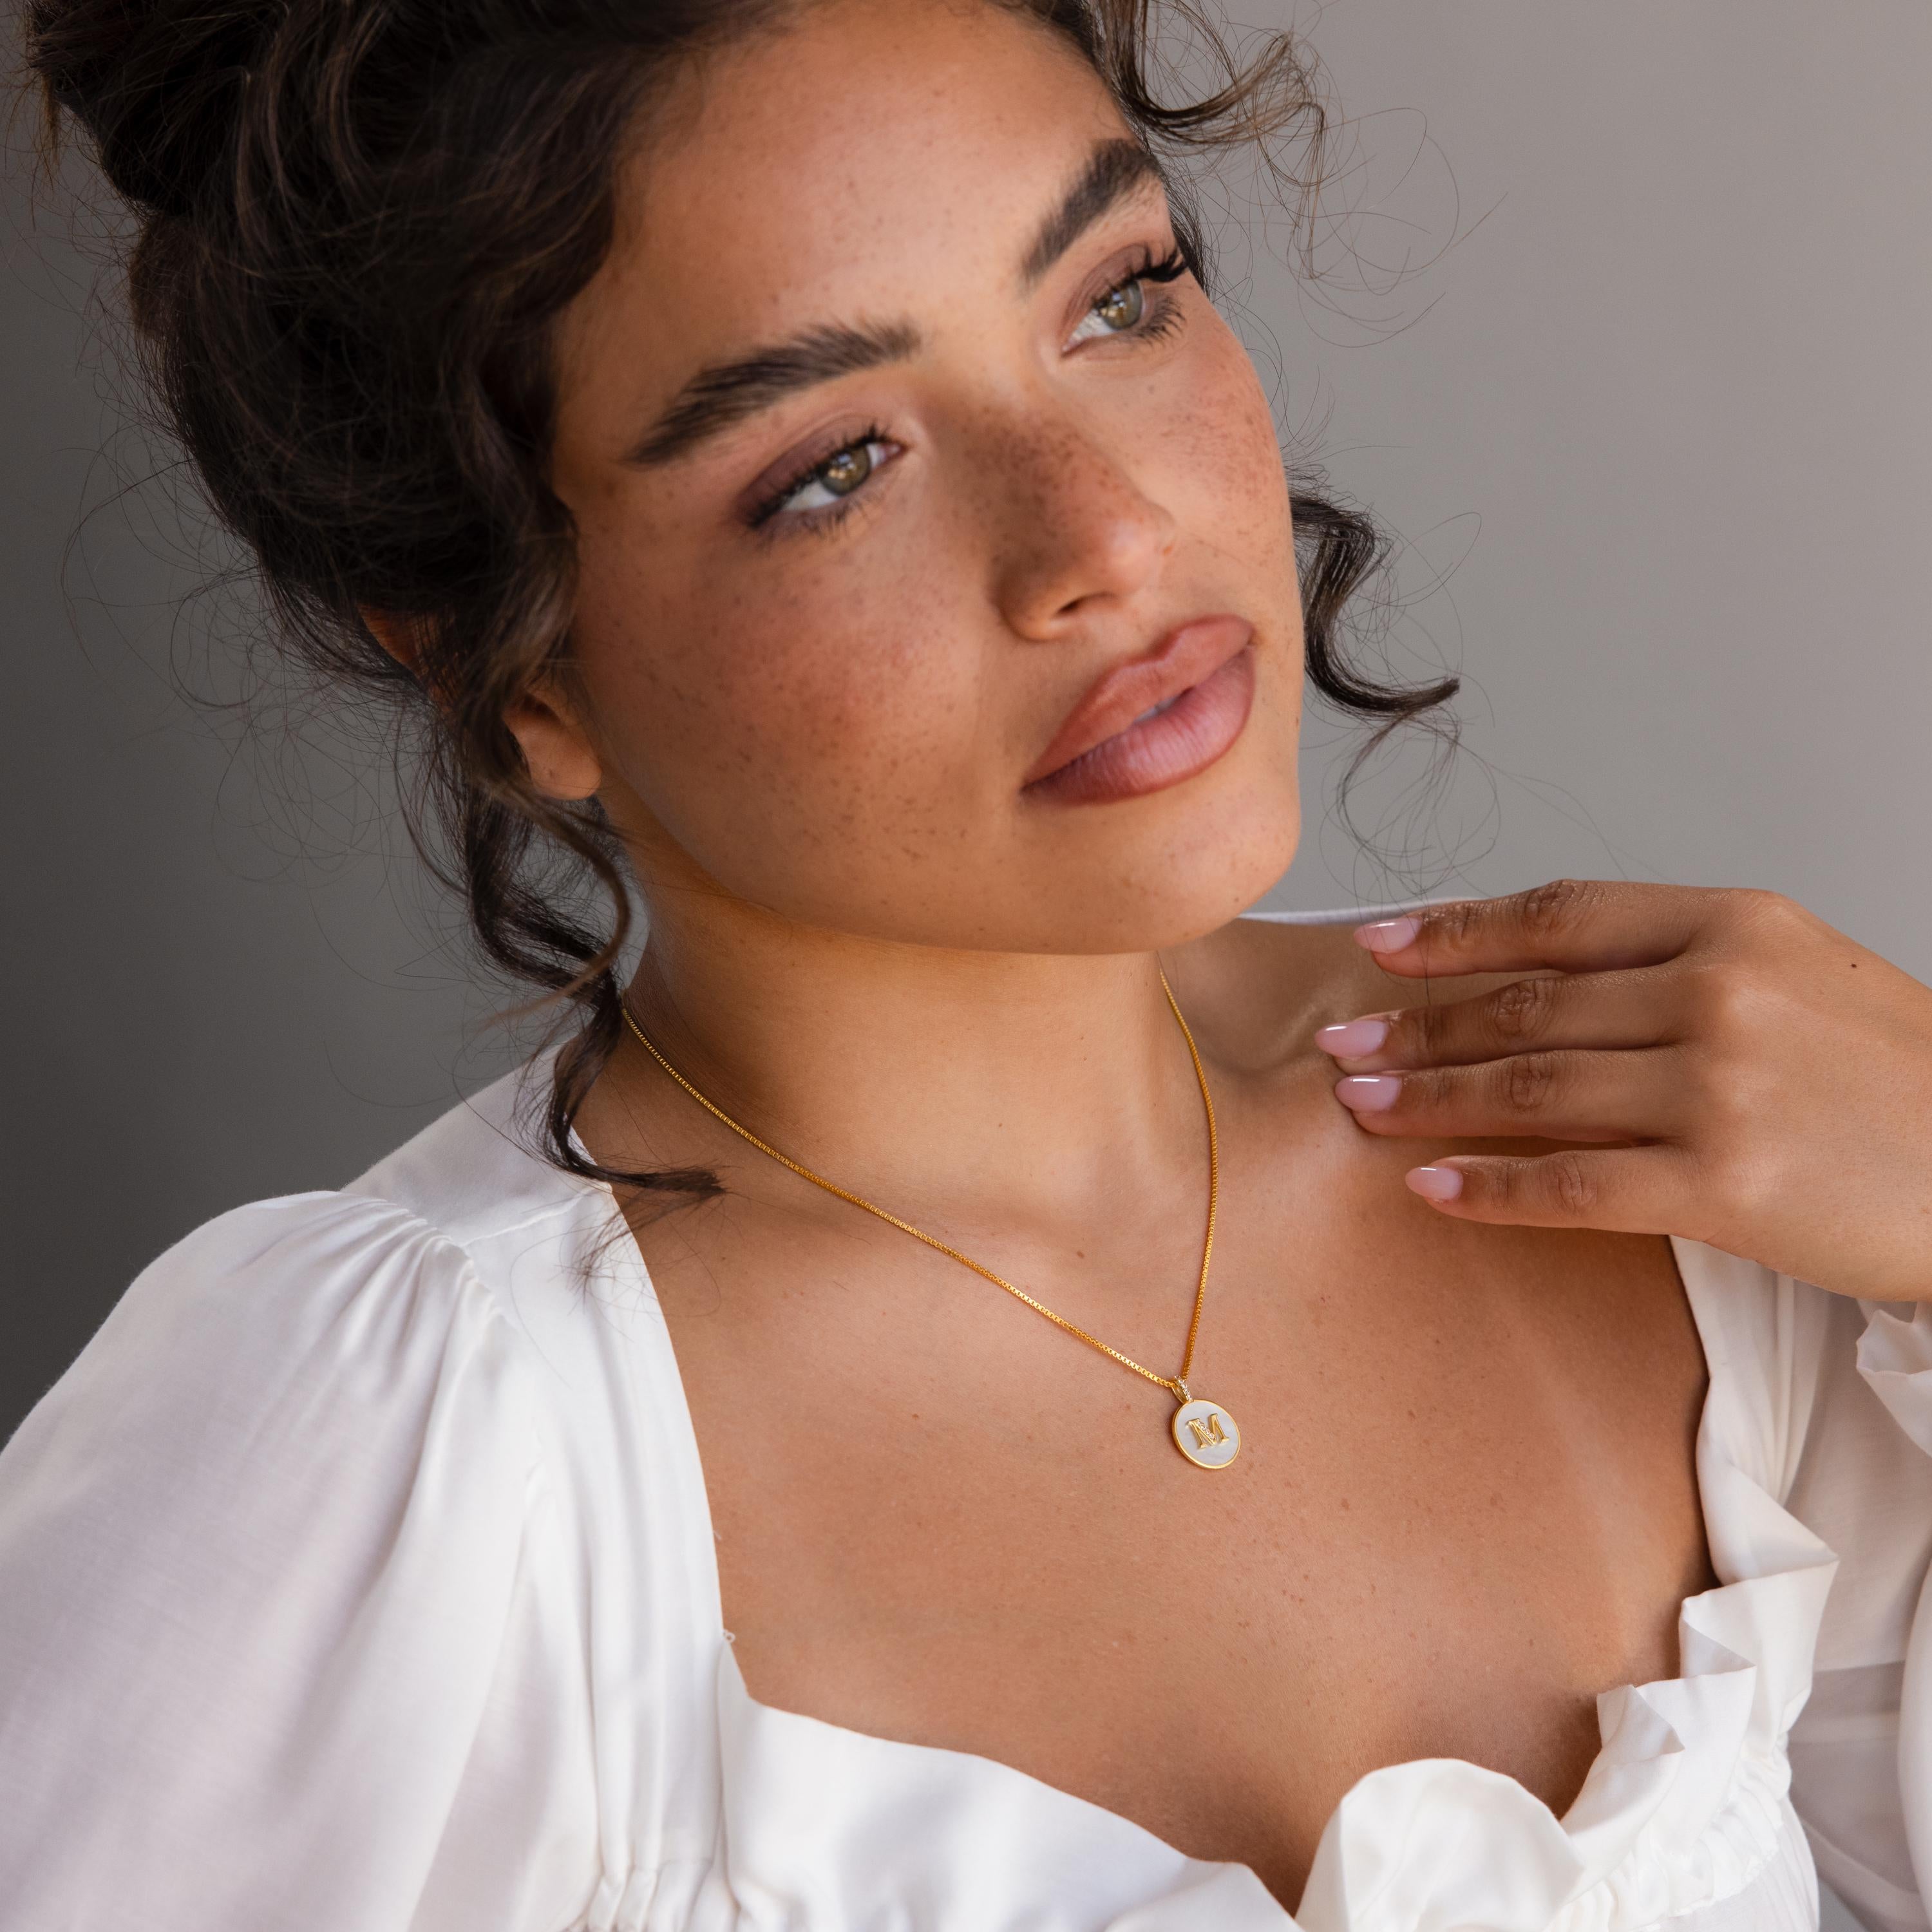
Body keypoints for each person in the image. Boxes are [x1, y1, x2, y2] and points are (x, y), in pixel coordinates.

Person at [3, 0, 1930, 1926]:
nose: (1106, 532)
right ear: (503, 662)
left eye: (1119, 297)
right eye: (835, 465)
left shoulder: (1656, 1143)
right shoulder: (401, 1458)